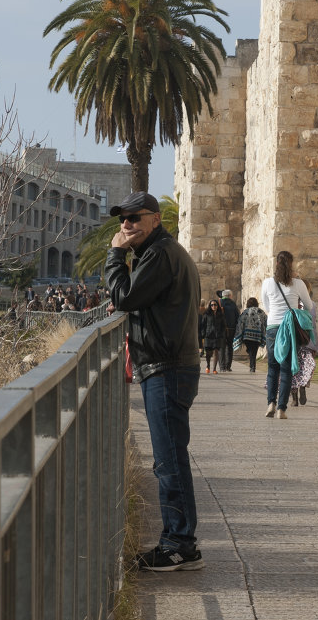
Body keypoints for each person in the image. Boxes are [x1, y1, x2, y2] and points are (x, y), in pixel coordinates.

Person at [105, 191, 203, 572]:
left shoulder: (160, 254)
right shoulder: (161, 253)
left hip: (167, 368)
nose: (126, 225)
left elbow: (125, 295)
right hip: (169, 366)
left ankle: (179, 543)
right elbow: (137, 298)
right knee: (169, 458)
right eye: (122, 219)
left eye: (134, 218)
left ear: (155, 220)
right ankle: (181, 540)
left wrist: (115, 255)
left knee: (169, 460)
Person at [261, 251, 313, 419]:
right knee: (286, 369)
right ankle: (281, 409)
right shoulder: (298, 284)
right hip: (289, 328)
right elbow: (309, 305)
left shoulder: (268, 283)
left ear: (276, 264)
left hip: (272, 327)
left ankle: (271, 403)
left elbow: (267, 306)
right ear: (291, 265)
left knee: (272, 368)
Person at [290, 279, 318, 406]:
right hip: (308, 341)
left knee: (294, 368)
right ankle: (303, 386)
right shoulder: (312, 305)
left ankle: (294, 396)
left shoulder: (292, 304)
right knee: (307, 367)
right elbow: (313, 326)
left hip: (295, 341)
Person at [233, 297, 267, 372]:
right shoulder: (261, 312)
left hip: (247, 336)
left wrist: (239, 334)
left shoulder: (245, 312)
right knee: (254, 350)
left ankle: (252, 366)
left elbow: (240, 322)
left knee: (250, 350)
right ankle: (252, 366)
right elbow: (265, 322)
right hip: (257, 336)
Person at [201, 299, 226, 373]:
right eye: (212, 305)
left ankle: (214, 369)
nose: (213, 306)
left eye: (215, 305)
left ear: (217, 306)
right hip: (208, 336)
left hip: (217, 336)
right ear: (210, 306)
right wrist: (203, 333)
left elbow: (223, 326)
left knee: (216, 352)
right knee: (208, 353)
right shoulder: (206, 315)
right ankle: (208, 365)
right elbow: (203, 325)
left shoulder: (221, 315)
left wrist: (222, 333)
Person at [218, 289, 239, 372]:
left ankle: (222, 366)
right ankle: (228, 366)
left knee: (221, 347)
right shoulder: (233, 304)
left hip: (221, 328)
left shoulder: (219, 303)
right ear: (230, 296)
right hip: (231, 329)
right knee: (229, 347)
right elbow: (237, 316)